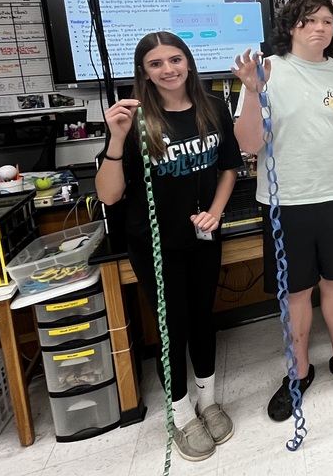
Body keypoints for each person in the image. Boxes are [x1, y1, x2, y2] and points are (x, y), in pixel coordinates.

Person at [231, 0, 333, 421]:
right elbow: (248, 144)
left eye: (328, 21)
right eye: (310, 20)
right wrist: (255, 93)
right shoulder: (269, 71)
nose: (320, 28)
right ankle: (297, 372)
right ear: (291, 26)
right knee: (296, 289)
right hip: (286, 202)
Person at [95, 32, 241, 462]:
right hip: (156, 244)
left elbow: (229, 168)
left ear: (189, 62)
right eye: (156, 64)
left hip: (202, 237)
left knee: (202, 319)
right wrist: (117, 139)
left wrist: (215, 212)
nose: (168, 69)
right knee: (172, 327)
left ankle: (207, 400)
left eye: (175, 59)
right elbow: (108, 195)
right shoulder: (135, 118)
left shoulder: (213, 108)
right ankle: (179, 412)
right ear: (144, 71)